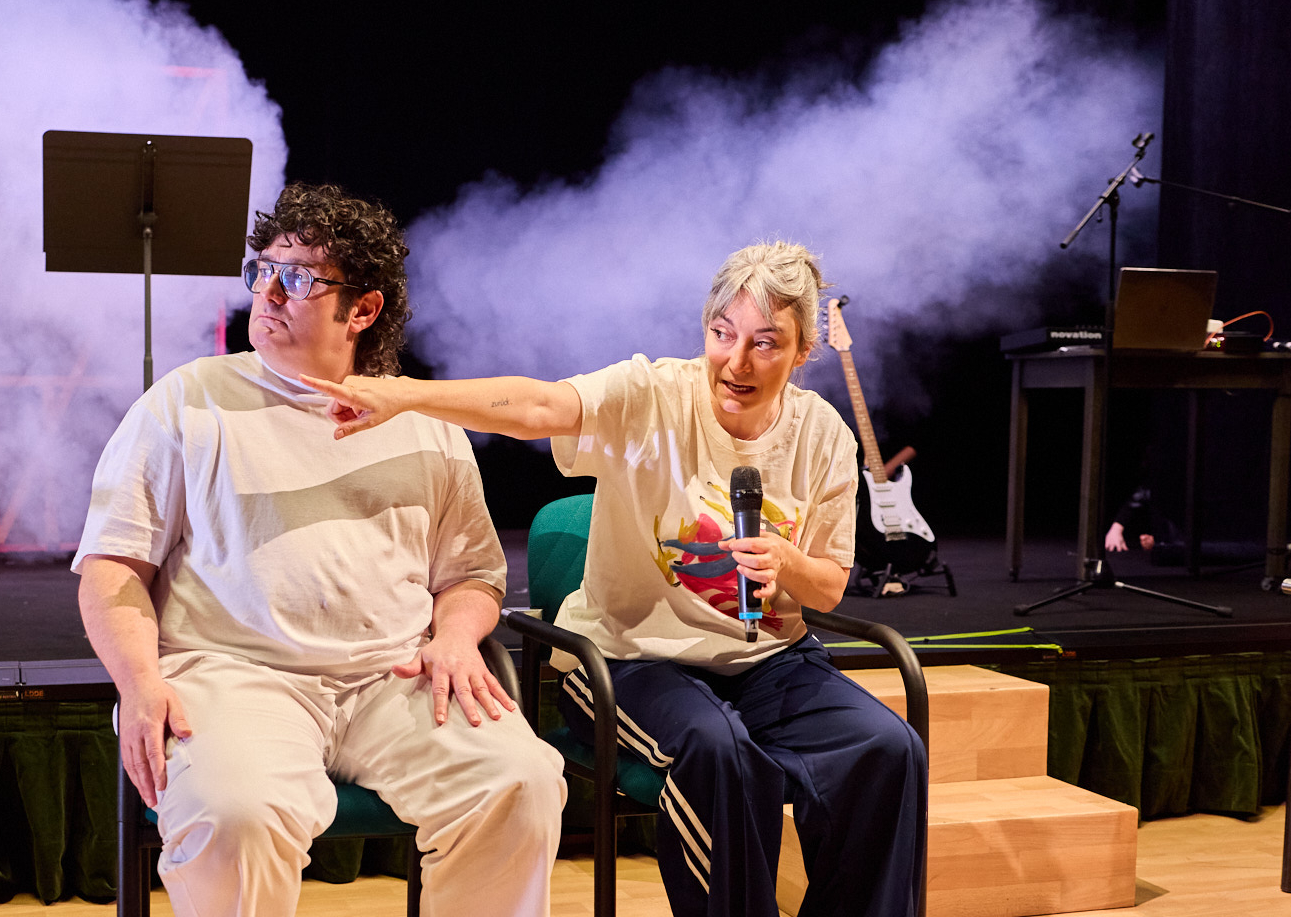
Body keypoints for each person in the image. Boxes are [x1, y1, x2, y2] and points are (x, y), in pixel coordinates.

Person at [304, 241, 927, 917]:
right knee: (716, 747)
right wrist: (405, 396)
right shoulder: (652, 395)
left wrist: (788, 563)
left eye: (765, 343)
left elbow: (828, 587)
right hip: (631, 660)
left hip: (770, 660)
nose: (737, 362)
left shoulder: (823, 435)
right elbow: (537, 406)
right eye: (722, 334)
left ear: (803, 350)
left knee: (888, 747)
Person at [74, 183, 565, 917]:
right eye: (263, 271)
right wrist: (140, 680)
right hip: (233, 676)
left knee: (520, 780)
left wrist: (458, 637)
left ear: (362, 309)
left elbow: (471, 575)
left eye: (299, 278)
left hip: (392, 678)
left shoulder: (423, 420)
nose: (269, 293)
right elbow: (113, 568)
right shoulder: (187, 400)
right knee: (235, 813)